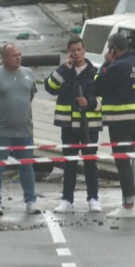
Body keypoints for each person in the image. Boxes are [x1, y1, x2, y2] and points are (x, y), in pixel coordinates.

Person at [0, 43, 41, 216]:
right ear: (4, 58)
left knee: (26, 166)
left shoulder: (28, 74)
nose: (18, 58)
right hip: (1, 132)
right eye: (14, 55)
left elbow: (31, 95)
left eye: (19, 54)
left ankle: (30, 201)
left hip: (24, 131)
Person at [94, 33, 135, 219]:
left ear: (113, 49)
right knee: (128, 160)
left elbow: (96, 85)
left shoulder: (117, 66)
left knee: (122, 162)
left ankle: (128, 205)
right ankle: (128, 201)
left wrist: (106, 64)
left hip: (120, 120)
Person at [44, 37, 103, 214]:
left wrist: (90, 103)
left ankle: (93, 198)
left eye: (79, 50)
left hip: (89, 125)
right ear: (68, 52)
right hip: (68, 125)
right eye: (73, 51)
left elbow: (104, 99)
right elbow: (49, 87)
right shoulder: (64, 72)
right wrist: (62, 69)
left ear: (84, 50)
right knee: (69, 163)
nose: (76, 54)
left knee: (90, 162)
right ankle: (66, 200)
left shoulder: (96, 73)